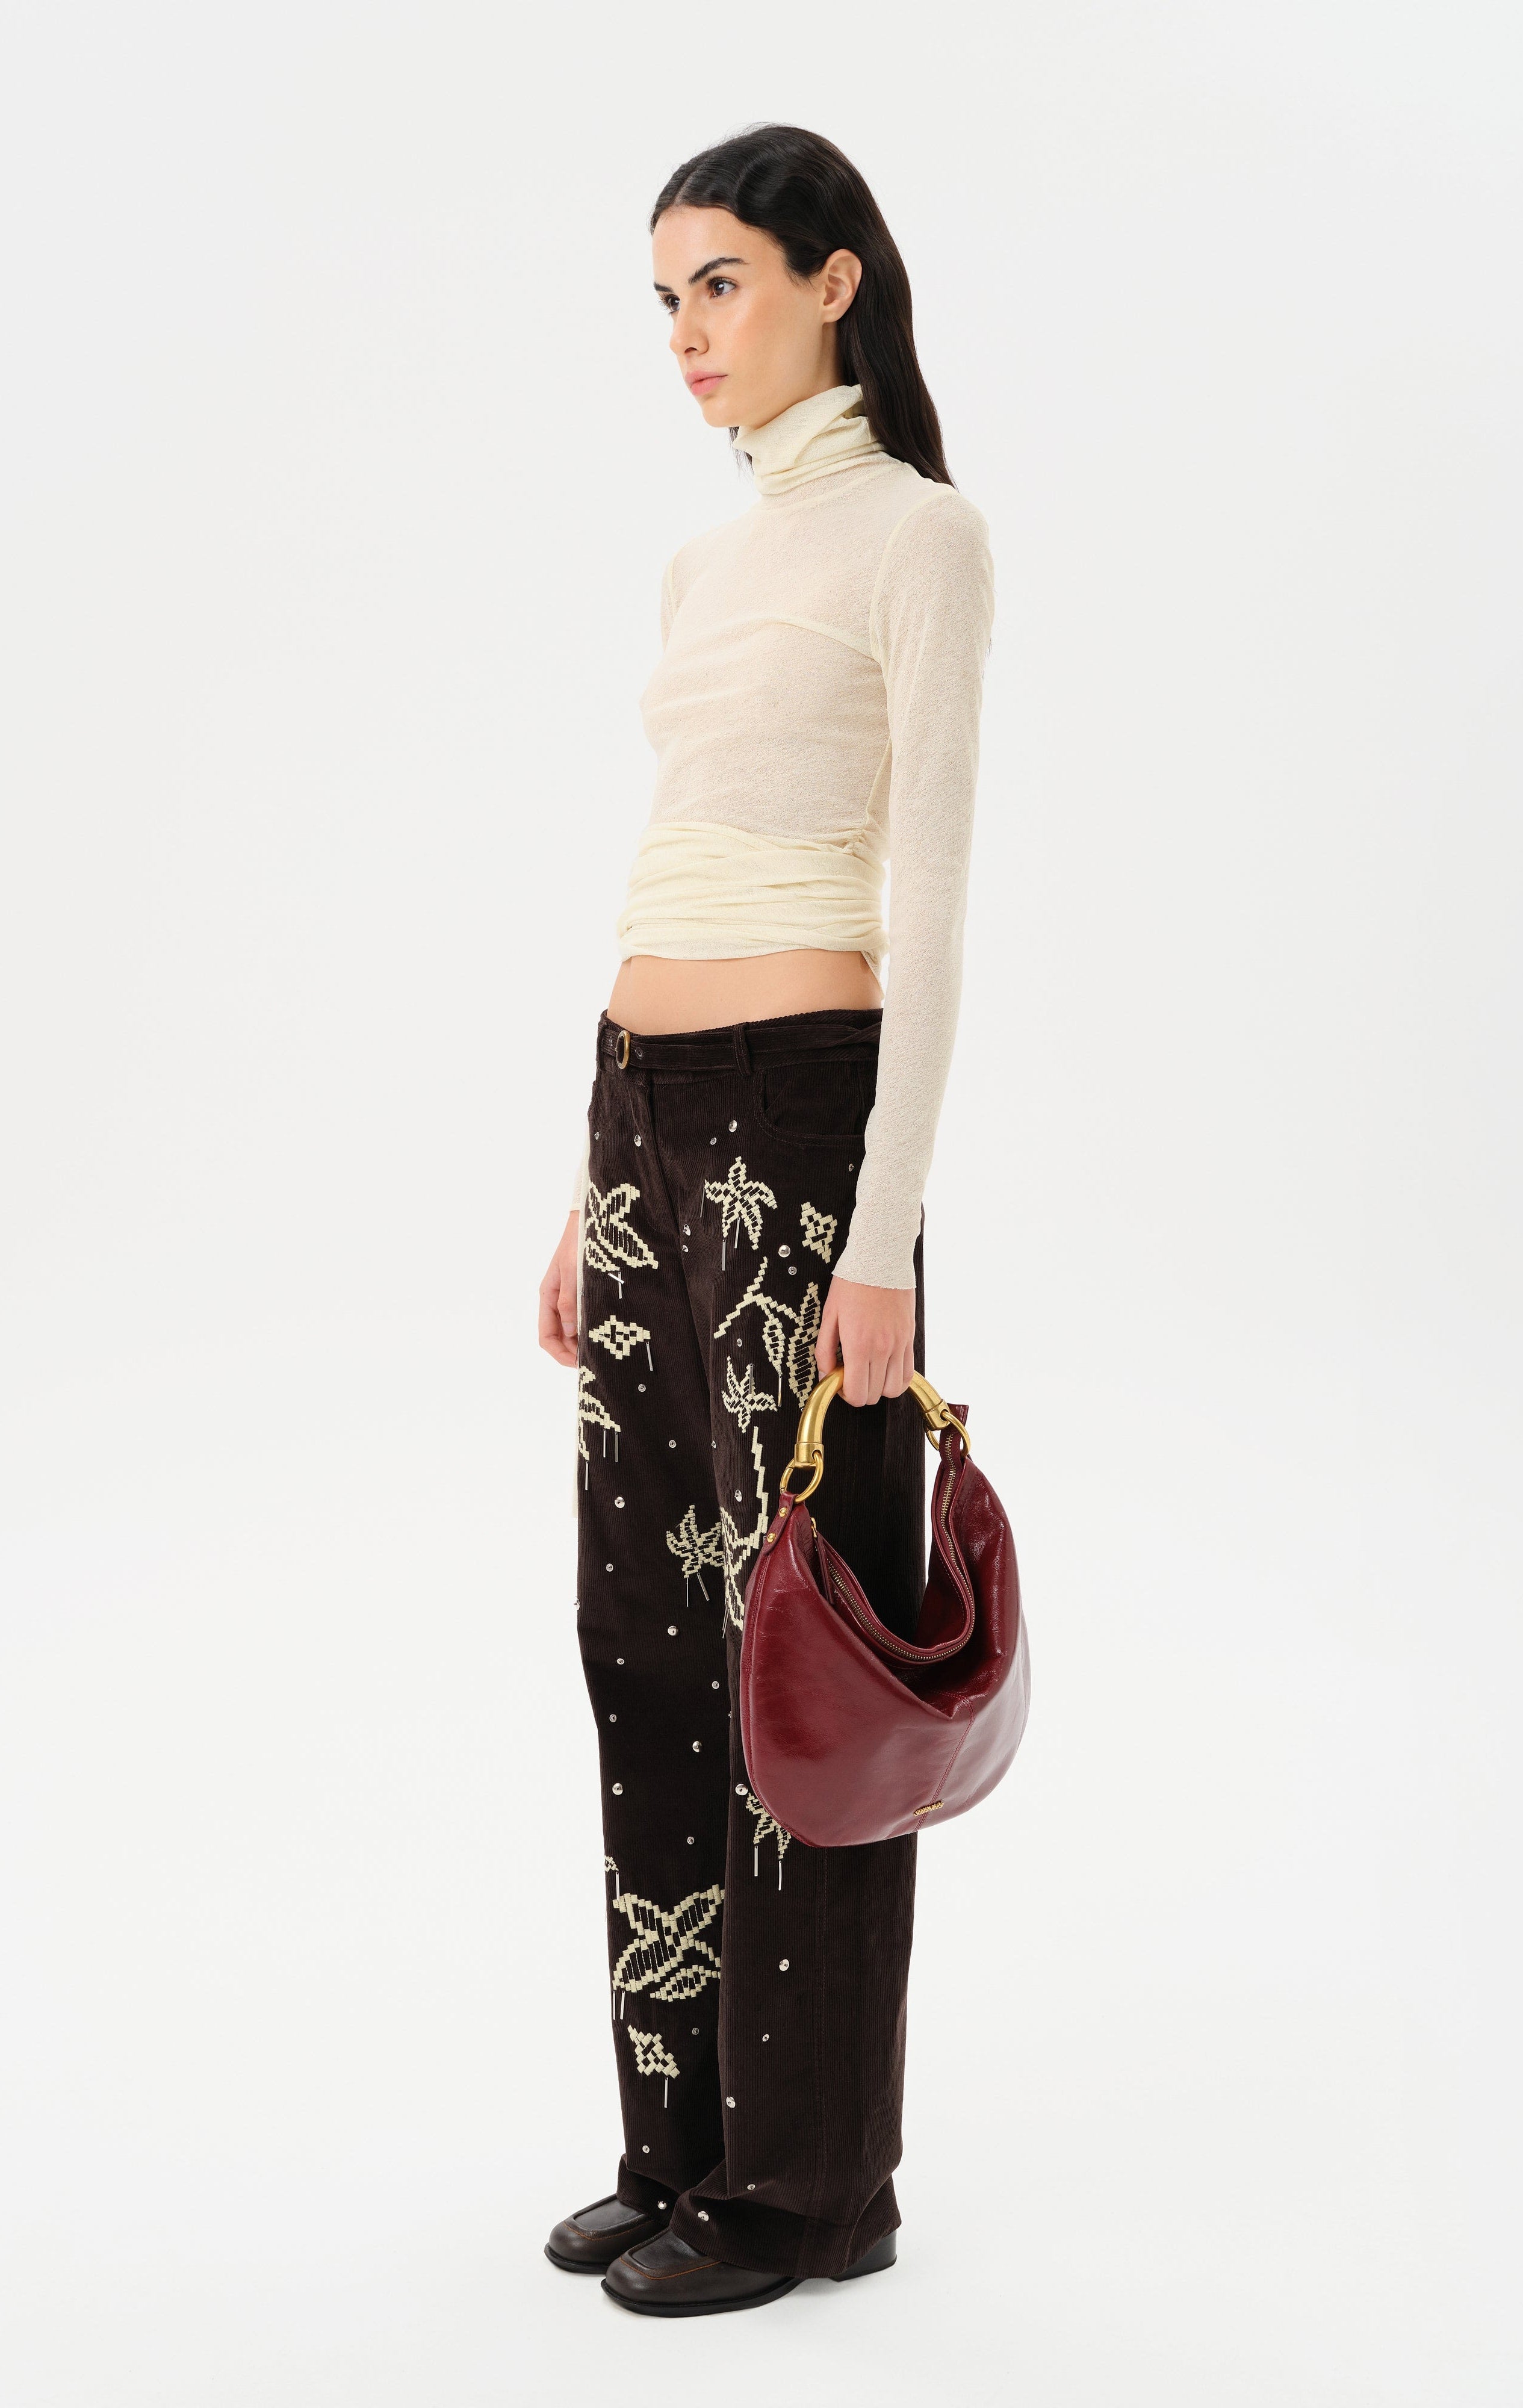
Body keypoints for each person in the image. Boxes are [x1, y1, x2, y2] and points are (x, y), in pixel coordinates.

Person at [532, 123, 996, 2318]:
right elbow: (681, 846)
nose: (687, 335)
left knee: (798, 1649)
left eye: (718, 283)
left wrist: (881, 1234)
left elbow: (933, 898)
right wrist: (589, 1190)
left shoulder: (921, 535)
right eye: (665, 299)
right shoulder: (703, 568)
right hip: (643, 1109)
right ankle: (683, 2142)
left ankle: (815, 2193)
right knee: (646, 1639)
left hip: (806, 1119)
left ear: (833, 280)